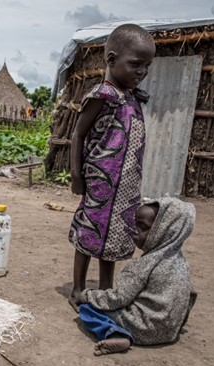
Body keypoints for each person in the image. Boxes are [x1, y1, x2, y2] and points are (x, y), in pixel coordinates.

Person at [68, 24, 156, 310]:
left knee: (115, 236)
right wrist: (77, 174)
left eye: (147, 66)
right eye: (135, 64)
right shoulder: (102, 94)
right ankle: (78, 289)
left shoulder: (132, 98)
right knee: (89, 233)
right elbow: (78, 135)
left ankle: (106, 289)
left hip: (126, 187)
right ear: (111, 60)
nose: (141, 71)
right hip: (100, 182)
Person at [75, 197, 197, 356]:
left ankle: (116, 334)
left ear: (165, 230)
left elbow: (119, 298)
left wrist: (87, 295)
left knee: (88, 310)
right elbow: (191, 295)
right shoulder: (181, 264)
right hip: (169, 332)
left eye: (142, 227)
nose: (134, 232)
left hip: (142, 329)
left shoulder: (145, 264)